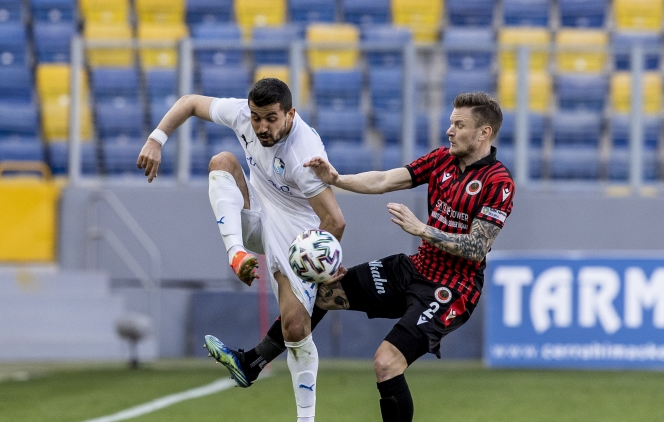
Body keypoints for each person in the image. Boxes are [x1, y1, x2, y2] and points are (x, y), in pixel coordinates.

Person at [211, 91, 516, 422]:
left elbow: (477, 247)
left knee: (386, 363)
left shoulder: (498, 182)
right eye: (450, 123)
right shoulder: (443, 159)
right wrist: (337, 179)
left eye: (459, 125)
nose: (449, 131)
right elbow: (385, 179)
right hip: (414, 269)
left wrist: (422, 229)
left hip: (452, 289)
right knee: (320, 293)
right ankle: (252, 362)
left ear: (484, 132)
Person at [136, 78, 346, 422]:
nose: (261, 127)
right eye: (256, 117)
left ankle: (305, 419)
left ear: (290, 114)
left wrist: (319, 266)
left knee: (295, 328)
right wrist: (156, 139)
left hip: (297, 239)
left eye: (271, 119)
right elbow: (189, 101)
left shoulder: (304, 153)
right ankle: (236, 253)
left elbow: (335, 221)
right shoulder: (241, 116)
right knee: (222, 161)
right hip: (256, 217)